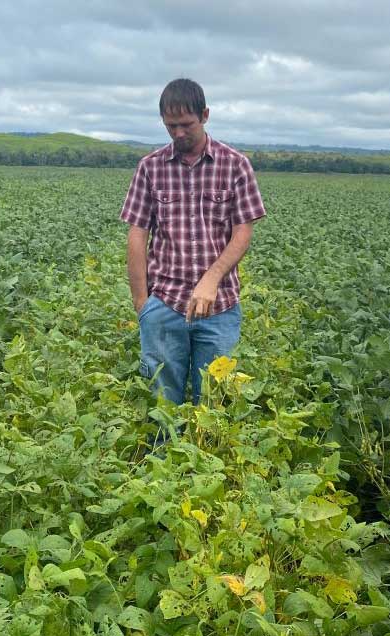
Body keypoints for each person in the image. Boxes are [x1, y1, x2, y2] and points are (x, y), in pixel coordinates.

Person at [120, 78, 266, 405]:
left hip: (219, 308)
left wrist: (211, 279)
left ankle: (204, 439)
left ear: (205, 115)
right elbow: (137, 234)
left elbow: (243, 232)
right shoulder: (150, 168)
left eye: (186, 124)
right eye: (170, 126)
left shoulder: (235, 165)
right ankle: (166, 440)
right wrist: (142, 304)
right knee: (162, 403)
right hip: (164, 304)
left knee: (213, 402)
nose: (178, 133)